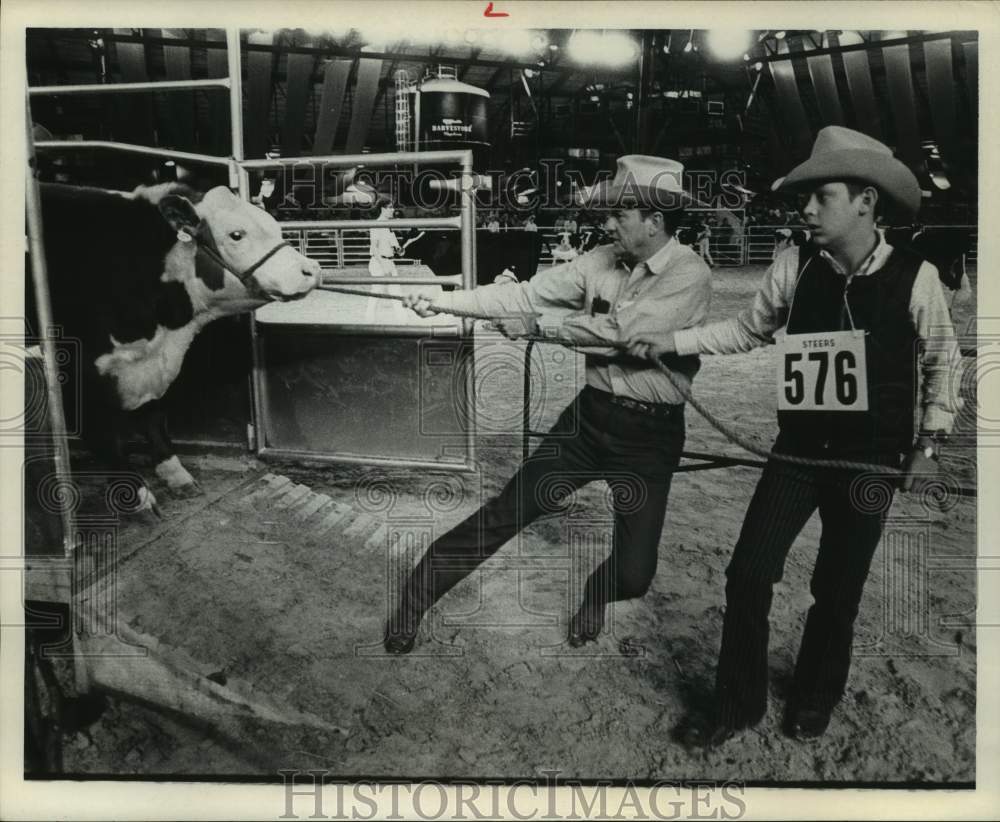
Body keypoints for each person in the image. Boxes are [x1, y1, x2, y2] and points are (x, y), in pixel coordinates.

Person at [626, 126, 963, 746]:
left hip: (870, 459)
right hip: (797, 452)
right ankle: (735, 706)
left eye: (821, 196)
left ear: (865, 201)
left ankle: (815, 694)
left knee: (837, 588)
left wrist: (929, 445)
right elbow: (746, 330)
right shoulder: (793, 265)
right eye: (804, 197)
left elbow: (944, 361)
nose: (805, 209)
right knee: (748, 573)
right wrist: (672, 341)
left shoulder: (916, 278)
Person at [382, 155, 712, 655]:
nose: (607, 224)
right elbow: (524, 296)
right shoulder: (599, 260)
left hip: (651, 437)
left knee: (634, 574)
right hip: (589, 421)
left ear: (655, 221)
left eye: (619, 214)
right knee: (504, 514)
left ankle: (598, 594)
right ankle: (415, 598)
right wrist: (444, 301)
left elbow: (626, 333)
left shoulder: (690, 273)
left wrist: (541, 326)